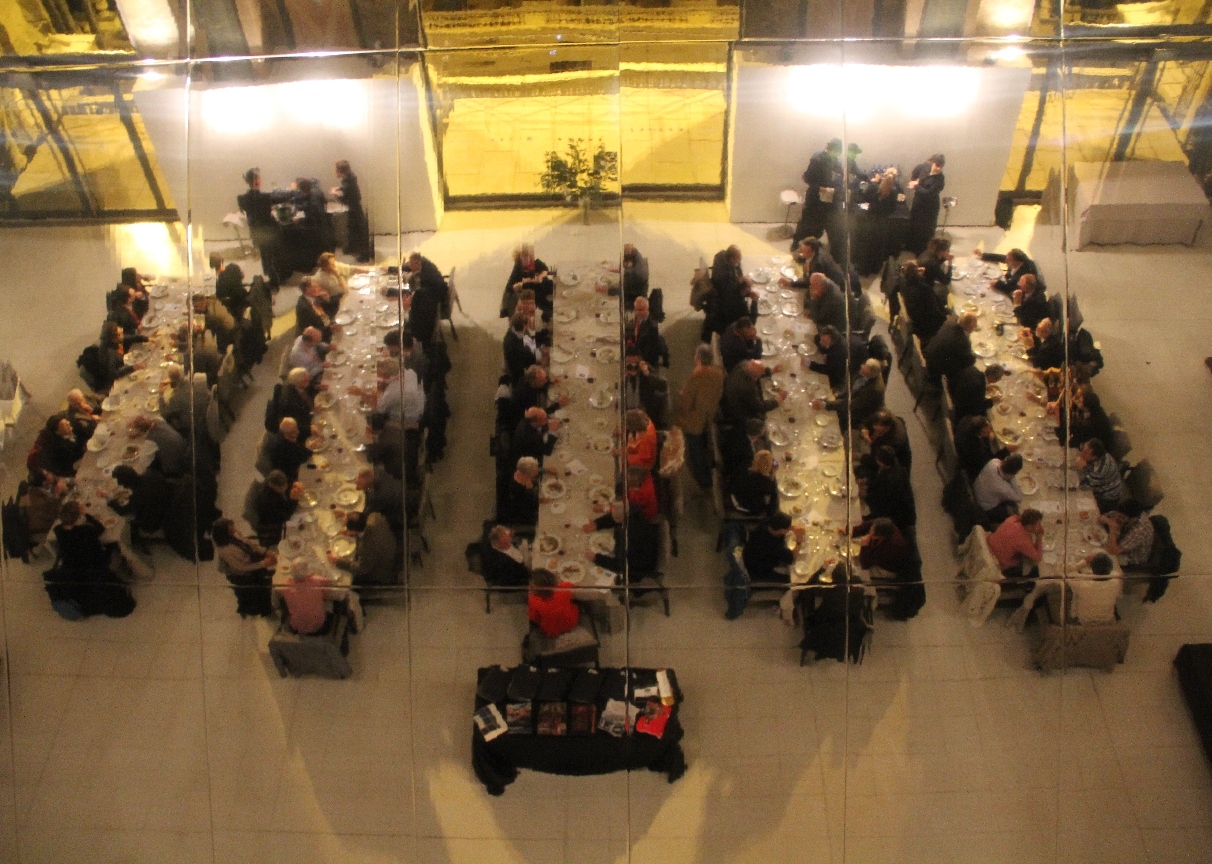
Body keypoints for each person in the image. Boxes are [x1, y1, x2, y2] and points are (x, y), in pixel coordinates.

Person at [45, 501, 136, 619]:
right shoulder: (86, 530)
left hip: (72, 568)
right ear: (78, 516)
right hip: (94, 566)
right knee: (114, 547)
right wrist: (87, 514)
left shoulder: (58, 530)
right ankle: (126, 571)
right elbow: (100, 528)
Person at [675, 344, 726, 489]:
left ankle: (704, 480)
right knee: (705, 441)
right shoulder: (718, 373)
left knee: (695, 450)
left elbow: (687, 404)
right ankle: (710, 464)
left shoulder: (696, 378)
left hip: (694, 421)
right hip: (709, 415)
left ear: (697, 359)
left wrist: (681, 395)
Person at [213, 517, 275, 618]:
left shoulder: (234, 535)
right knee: (263, 585)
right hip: (240, 574)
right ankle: (264, 611)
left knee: (268, 575)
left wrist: (264, 551)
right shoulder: (225, 550)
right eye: (231, 527)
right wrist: (263, 563)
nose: (234, 527)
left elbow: (249, 543)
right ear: (225, 532)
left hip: (249, 559)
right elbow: (242, 568)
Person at [794, 138, 844, 247]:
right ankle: (797, 244)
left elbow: (839, 178)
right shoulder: (817, 159)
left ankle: (816, 246)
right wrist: (819, 188)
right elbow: (807, 177)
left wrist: (836, 189)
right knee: (807, 223)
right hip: (815, 198)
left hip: (829, 198)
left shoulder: (836, 161)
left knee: (828, 225)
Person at [237, 167, 283, 288]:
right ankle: (276, 279)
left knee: (264, 255)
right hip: (269, 231)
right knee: (273, 256)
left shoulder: (242, 199)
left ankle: (269, 277)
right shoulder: (265, 197)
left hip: (256, 231)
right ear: (257, 181)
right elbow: (281, 198)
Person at [812, 358, 885, 429]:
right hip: (847, 401)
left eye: (865, 372)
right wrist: (837, 394)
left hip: (855, 415)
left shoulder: (874, 390)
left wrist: (825, 405)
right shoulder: (866, 370)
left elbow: (850, 404)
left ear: (870, 375)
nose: (861, 370)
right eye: (863, 368)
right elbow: (850, 384)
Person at [856, 445, 916, 533]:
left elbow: (880, 502)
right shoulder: (899, 469)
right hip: (905, 514)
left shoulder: (890, 480)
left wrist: (865, 493)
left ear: (881, 462)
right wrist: (867, 482)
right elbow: (879, 482)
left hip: (897, 521)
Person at [332, 511, 397, 587]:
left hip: (382, 570)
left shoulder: (366, 547)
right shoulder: (374, 517)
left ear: (354, 531)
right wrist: (347, 516)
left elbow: (361, 569)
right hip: (389, 545)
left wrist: (338, 561)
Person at [109, 463, 173, 540]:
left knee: (126, 524)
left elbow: (122, 511)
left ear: (125, 485)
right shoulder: (151, 474)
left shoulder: (137, 497)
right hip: (170, 503)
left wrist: (110, 501)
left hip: (159, 520)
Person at [710, 245, 758, 335]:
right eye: (738, 259)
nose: (740, 261)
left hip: (725, 304)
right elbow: (751, 323)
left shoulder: (722, 255)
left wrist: (741, 278)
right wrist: (754, 302)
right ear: (732, 258)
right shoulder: (739, 304)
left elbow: (738, 269)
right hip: (729, 325)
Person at [986, 507, 1044, 579]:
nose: (1040, 526)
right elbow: (1038, 557)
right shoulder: (1022, 539)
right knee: (1035, 567)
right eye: (1038, 524)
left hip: (991, 549)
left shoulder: (1013, 519)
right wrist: (1039, 537)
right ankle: (1027, 583)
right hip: (1001, 564)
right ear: (1029, 526)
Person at [280, 564, 339, 635]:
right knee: (335, 605)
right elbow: (326, 592)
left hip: (297, 627)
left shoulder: (285, 584)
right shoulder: (316, 581)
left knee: (285, 602)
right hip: (319, 627)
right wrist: (311, 576)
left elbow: (287, 581)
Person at [899, 260, 948, 344]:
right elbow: (936, 313)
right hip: (927, 326)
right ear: (916, 274)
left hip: (917, 321)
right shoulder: (924, 290)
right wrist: (947, 317)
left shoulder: (904, 284)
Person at [722, 359, 783, 426]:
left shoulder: (744, 365)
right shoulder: (747, 386)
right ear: (755, 377)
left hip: (728, 397)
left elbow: (755, 371)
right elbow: (760, 407)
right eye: (758, 375)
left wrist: (771, 371)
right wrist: (777, 401)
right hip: (737, 412)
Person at [743, 511, 797, 585]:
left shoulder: (766, 523)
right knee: (790, 578)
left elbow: (780, 535)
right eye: (788, 528)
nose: (790, 529)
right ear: (781, 530)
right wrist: (799, 541)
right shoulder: (773, 545)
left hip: (750, 553)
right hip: (758, 569)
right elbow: (792, 558)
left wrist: (788, 528)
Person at [807, 325, 866, 392]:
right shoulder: (832, 337)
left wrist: (811, 364)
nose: (820, 342)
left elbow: (829, 370)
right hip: (839, 358)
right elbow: (817, 338)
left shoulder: (839, 353)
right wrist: (825, 353)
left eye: (824, 341)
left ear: (832, 342)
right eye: (821, 339)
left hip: (840, 374)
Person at [332, 159, 371, 262]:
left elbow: (346, 199)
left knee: (358, 232)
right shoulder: (350, 178)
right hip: (355, 208)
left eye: (337, 170)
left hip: (354, 209)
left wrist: (336, 195)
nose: (335, 172)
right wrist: (340, 189)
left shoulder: (348, 183)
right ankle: (355, 250)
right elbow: (348, 189)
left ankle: (363, 255)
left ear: (341, 171)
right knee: (355, 230)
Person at [907, 153, 945, 255]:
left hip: (930, 207)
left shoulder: (940, 178)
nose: (939, 168)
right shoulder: (923, 167)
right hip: (918, 203)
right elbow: (914, 173)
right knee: (915, 224)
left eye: (941, 166)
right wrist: (914, 181)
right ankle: (912, 246)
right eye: (937, 165)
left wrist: (916, 186)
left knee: (926, 229)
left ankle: (922, 250)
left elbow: (929, 193)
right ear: (932, 163)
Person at [924, 312, 978, 383]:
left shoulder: (950, 322)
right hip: (936, 366)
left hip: (930, 353)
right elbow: (969, 361)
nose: (976, 326)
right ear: (968, 326)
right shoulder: (962, 341)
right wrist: (974, 356)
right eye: (974, 325)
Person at [1070, 552, 1122, 625]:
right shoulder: (1116, 580)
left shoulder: (1082, 585)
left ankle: (1073, 618)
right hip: (1108, 620)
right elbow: (1114, 573)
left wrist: (1084, 561)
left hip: (1085, 621)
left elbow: (1068, 572)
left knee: (1074, 595)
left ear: (1092, 568)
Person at [502, 244, 552, 319]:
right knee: (547, 306)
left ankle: (547, 313)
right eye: (525, 257)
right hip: (534, 293)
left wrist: (540, 277)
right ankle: (546, 314)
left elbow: (545, 270)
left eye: (530, 256)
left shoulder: (535, 262)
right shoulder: (518, 269)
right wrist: (522, 284)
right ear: (520, 257)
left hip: (542, 286)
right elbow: (511, 287)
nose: (528, 259)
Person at [1101, 500, 1154, 571]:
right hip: (1122, 542)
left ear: (1133, 519)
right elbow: (1102, 517)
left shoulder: (1139, 530)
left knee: (1100, 556)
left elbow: (1112, 551)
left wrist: (1112, 528)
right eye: (1118, 515)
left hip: (1130, 558)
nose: (1118, 518)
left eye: (1122, 517)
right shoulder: (1127, 512)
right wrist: (1107, 520)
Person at [528, 568, 580, 637]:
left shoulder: (532, 601)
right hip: (570, 622)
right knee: (575, 605)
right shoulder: (564, 588)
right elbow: (572, 585)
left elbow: (534, 618)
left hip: (551, 630)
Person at [254, 470, 301, 546]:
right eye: (282, 487)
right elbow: (286, 516)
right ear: (274, 486)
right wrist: (294, 500)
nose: (286, 488)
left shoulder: (270, 485)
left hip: (277, 519)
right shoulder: (269, 500)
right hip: (272, 530)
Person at [955, 414, 1010, 479]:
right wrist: (1006, 450)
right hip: (973, 470)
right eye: (986, 432)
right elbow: (989, 462)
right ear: (980, 433)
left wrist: (987, 436)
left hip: (962, 450)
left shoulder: (966, 420)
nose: (989, 431)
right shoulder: (974, 447)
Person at [973, 454, 1024, 522]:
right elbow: (1019, 498)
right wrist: (1013, 477)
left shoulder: (993, 462)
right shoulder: (1003, 488)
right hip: (984, 506)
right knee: (1016, 511)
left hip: (976, 488)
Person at [728, 450, 780, 517]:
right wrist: (772, 475)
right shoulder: (766, 484)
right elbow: (770, 508)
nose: (774, 462)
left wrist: (771, 463)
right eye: (772, 462)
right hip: (743, 506)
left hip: (734, 491)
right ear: (767, 467)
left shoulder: (747, 464)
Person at [1077, 438, 1123, 513]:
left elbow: (1083, 486)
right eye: (1083, 449)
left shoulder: (1099, 469)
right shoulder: (1100, 455)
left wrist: (1081, 469)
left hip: (1107, 499)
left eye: (1085, 453)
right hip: (1099, 484)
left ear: (1094, 457)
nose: (1081, 454)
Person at [858, 410, 912, 475]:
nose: (876, 432)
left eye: (879, 432)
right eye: (875, 429)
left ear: (887, 428)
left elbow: (880, 457)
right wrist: (863, 430)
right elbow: (863, 422)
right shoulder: (877, 416)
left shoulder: (895, 438)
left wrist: (860, 456)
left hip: (900, 454)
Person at [623, 355, 669, 429]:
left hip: (643, 415)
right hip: (625, 414)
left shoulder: (646, 373)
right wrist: (622, 376)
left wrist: (646, 373)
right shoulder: (623, 374)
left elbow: (662, 386)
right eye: (629, 364)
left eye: (635, 364)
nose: (633, 368)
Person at [976, 247, 1042, 296]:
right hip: (1009, 281)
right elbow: (1001, 257)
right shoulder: (1017, 259)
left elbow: (1010, 288)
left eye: (1009, 259)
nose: (1006, 260)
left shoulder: (1025, 272)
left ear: (1016, 262)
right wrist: (982, 255)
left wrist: (997, 283)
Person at [500, 456, 541, 526]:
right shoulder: (518, 488)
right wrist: (531, 491)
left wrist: (545, 470)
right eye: (535, 471)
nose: (537, 471)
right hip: (526, 514)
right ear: (527, 474)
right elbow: (531, 503)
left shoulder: (521, 471)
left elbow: (533, 470)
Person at [268, 417, 312, 482]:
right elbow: (304, 456)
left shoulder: (281, 434)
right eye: (294, 432)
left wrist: (309, 429)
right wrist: (310, 447)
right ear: (287, 434)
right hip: (287, 478)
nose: (298, 432)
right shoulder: (285, 447)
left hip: (286, 470)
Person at [503, 312, 540, 385]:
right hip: (522, 377)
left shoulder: (513, 331)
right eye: (528, 323)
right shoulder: (514, 347)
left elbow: (529, 342)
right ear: (524, 325)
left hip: (527, 359)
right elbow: (527, 362)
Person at [626, 297, 661, 368]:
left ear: (647, 310)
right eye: (636, 309)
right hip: (635, 355)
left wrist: (636, 359)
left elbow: (650, 353)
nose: (637, 313)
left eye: (640, 310)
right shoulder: (638, 320)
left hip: (645, 364)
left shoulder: (652, 327)